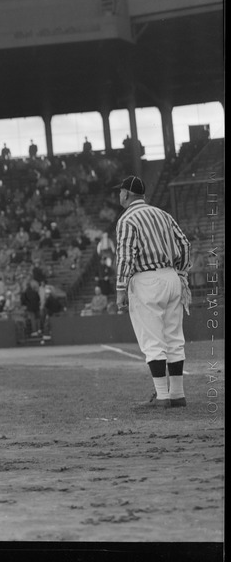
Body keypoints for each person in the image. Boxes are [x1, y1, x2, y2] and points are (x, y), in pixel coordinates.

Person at [113, 175, 193, 409]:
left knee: (152, 340)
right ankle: (177, 394)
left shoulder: (127, 218)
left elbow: (126, 255)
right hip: (171, 276)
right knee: (174, 338)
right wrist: (181, 273)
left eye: (120, 192)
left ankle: (162, 396)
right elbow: (185, 244)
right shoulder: (162, 214)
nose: (119, 195)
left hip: (146, 280)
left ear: (127, 194)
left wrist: (120, 289)